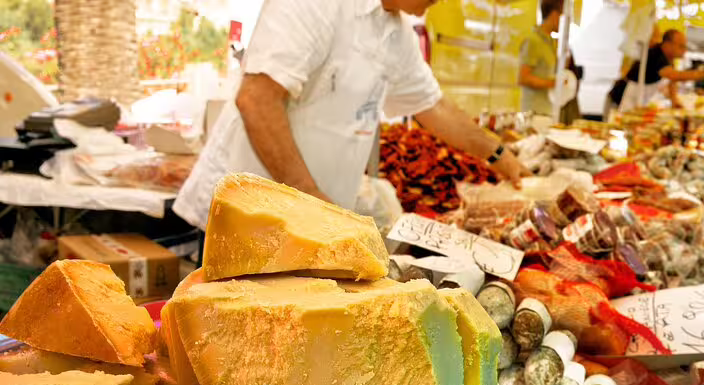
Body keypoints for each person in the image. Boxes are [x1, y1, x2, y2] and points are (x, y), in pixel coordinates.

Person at [173, 0, 530, 233]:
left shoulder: (396, 33)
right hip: (247, 218)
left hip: (309, 223)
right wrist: (311, 202)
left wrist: (500, 155)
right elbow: (257, 100)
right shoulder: (318, 5)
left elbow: (433, 107)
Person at [618, 29, 704, 112]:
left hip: (640, 100)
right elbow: (675, 76)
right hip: (624, 99)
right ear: (667, 44)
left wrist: (674, 101)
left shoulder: (668, 58)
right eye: (681, 46)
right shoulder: (657, 55)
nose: (684, 50)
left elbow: (673, 82)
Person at [519, 0, 563, 117]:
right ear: (555, 15)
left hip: (548, 110)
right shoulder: (533, 41)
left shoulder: (552, 43)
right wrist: (553, 83)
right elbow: (523, 78)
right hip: (534, 113)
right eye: (562, 16)